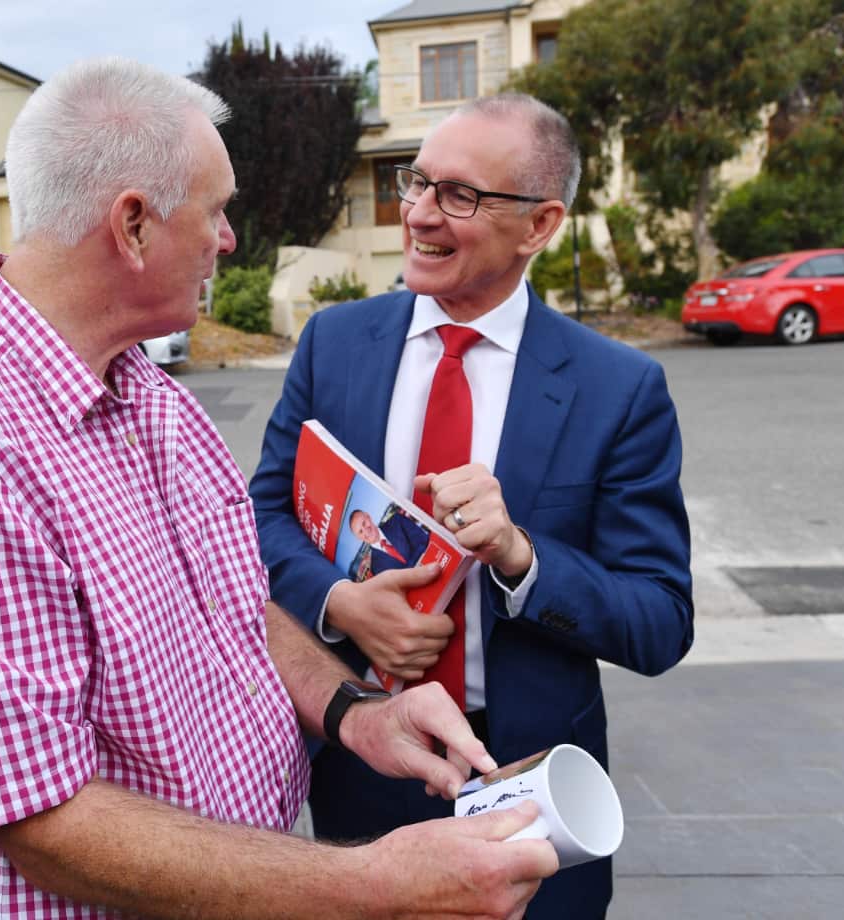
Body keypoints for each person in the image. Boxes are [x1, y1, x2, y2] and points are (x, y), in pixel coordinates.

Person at [0, 60, 558, 920]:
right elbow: (40, 818)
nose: (228, 240)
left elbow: (233, 607)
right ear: (133, 225)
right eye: (215, 210)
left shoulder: (146, 390)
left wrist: (356, 713)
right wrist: (377, 886)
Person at [249, 93, 695, 919]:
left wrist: (524, 560)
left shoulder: (619, 389)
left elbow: (661, 620)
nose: (419, 213)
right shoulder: (335, 344)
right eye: (417, 182)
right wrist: (341, 604)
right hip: (362, 753)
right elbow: (259, 521)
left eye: (460, 195)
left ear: (540, 224)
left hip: (527, 781)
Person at [349, 506, 429, 573]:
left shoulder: (397, 521)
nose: (366, 530)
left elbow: (422, 541)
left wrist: (407, 573)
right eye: (360, 532)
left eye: (364, 523)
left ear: (368, 516)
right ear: (359, 538)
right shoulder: (375, 567)